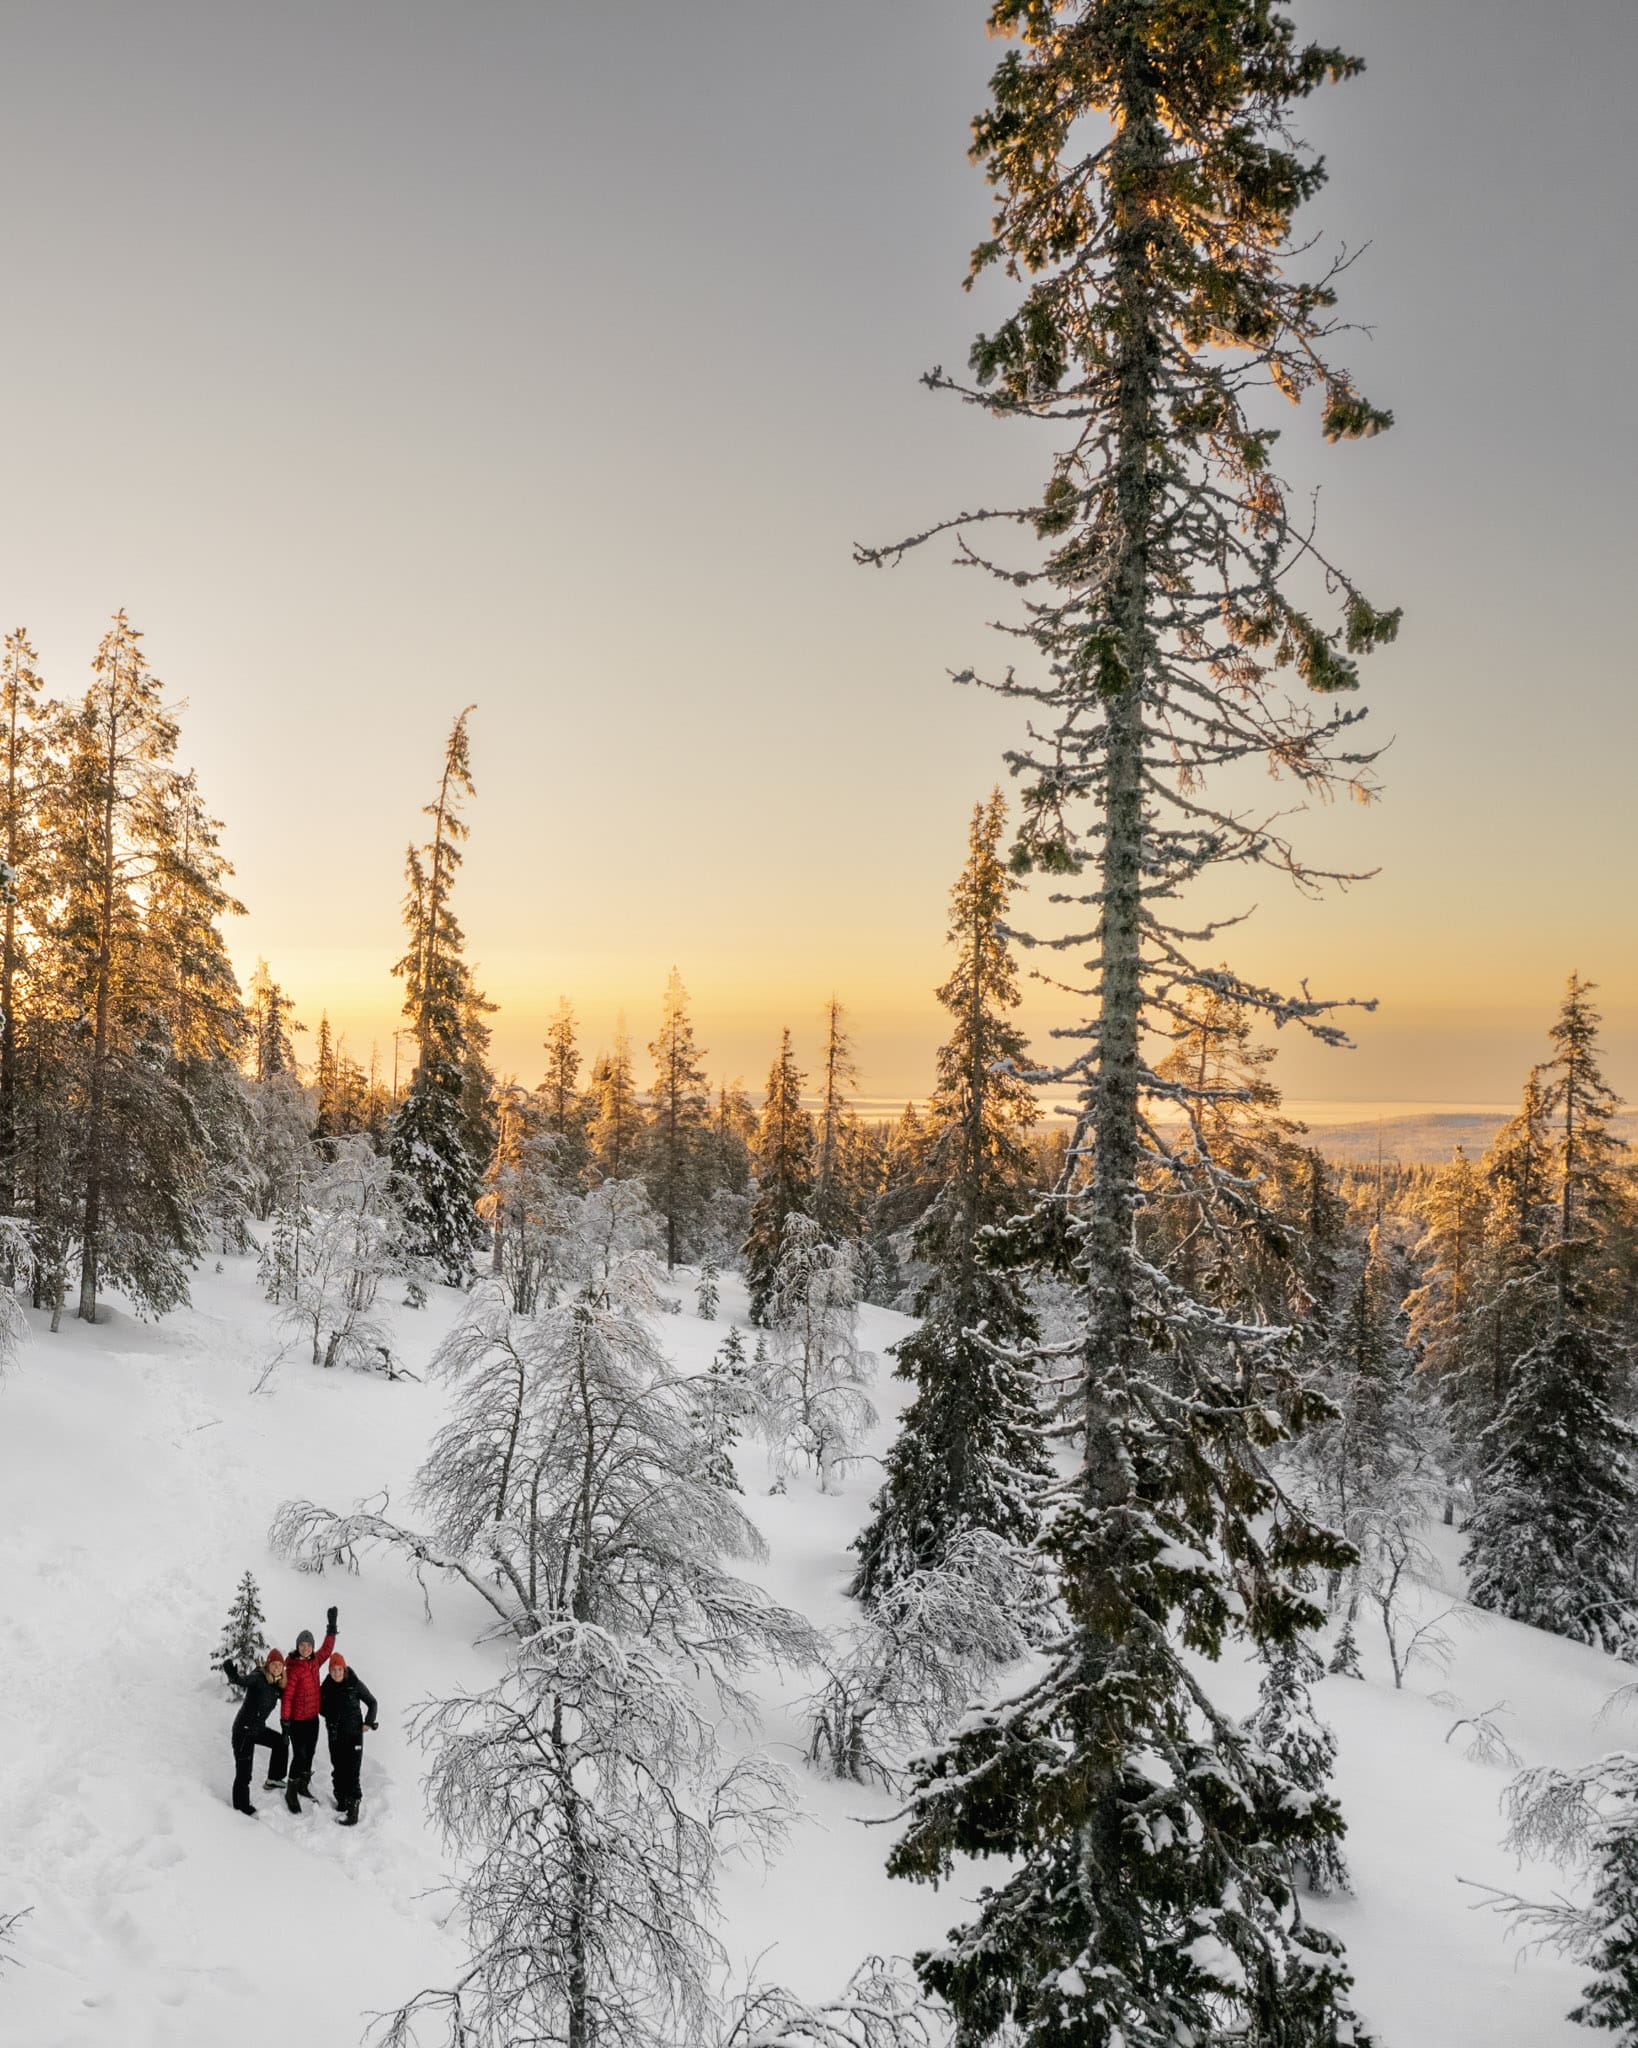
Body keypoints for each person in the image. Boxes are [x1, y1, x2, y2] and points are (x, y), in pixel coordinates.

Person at [279, 1604, 337, 1815]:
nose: (305, 1648)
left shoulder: (314, 1662)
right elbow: (287, 1697)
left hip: (313, 1719)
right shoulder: (293, 1668)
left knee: (310, 1753)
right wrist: (285, 1722)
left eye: (309, 1645)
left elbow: (327, 1650)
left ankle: (303, 1784)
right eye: (302, 1645)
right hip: (297, 1721)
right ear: (297, 1647)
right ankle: (291, 1790)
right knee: (300, 1755)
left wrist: (331, 1628)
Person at [222, 1647, 289, 1817]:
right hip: (243, 1731)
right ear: (268, 1665)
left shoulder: (277, 1685)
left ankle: (274, 1778)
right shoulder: (258, 1677)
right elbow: (243, 1681)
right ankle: (241, 1807)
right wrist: (234, 1676)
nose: (276, 1667)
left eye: (279, 1665)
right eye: (273, 1664)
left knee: (281, 1742)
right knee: (244, 1773)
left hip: (257, 1729)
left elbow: (290, 1695)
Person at [319, 1651, 378, 1827]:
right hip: (335, 1734)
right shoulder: (326, 1686)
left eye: (339, 1669)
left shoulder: (354, 1683)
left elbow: (372, 1702)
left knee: (352, 1771)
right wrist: (331, 1716)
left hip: (353, 1735)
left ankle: (353, 1810)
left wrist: (368, 1722)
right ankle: (342, 1800)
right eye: (333, 1669)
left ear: (344, 1669)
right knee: (338, 1769)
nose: (336, 1673)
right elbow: (320, 1706)